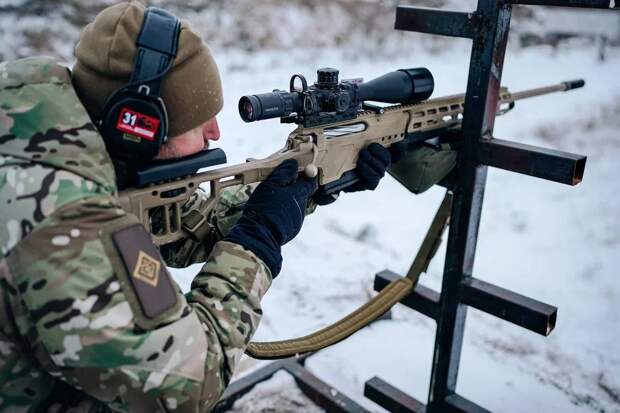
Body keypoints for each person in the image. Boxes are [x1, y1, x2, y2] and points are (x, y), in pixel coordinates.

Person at [0, 2, 397, 412]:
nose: (215, 131)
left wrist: (305, 188)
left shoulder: (44, 142)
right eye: (198, 119)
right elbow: (190, 384)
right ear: (135, 125)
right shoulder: (62, 220)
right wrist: (256, 244)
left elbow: (180, 228)